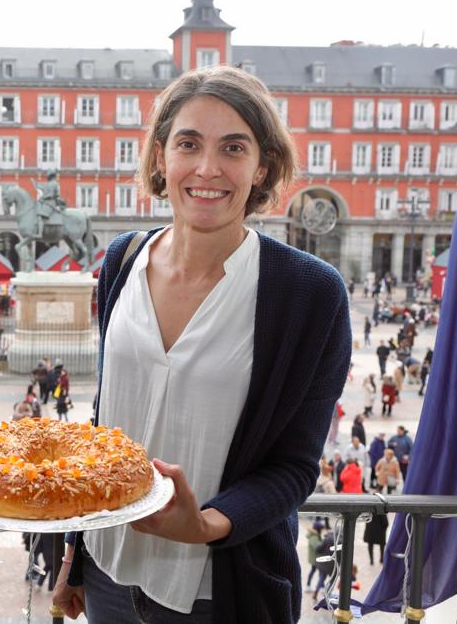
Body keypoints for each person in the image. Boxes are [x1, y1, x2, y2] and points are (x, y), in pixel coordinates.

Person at [53, 66, 351, 623]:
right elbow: (106, 425)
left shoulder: (309, 294)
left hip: (220, 590)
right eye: (188, 144)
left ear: (262, 165)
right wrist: (73, 551)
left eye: (233, 148)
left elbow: (294, 466)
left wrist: (206, 524)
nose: (207, 169)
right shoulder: (121, 260)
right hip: (107, 573)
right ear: (162, 157)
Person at [305, 520, 324, 589]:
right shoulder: (314, 537)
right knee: (319, 572)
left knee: (319, 572)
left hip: (316, 558)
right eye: (321, 529)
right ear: (318, 529)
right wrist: (324, 544)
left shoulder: (316, 535)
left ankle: (321, 586)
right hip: (315, 559)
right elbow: (317, 547)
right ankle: (309, 585)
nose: (322, 530)